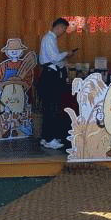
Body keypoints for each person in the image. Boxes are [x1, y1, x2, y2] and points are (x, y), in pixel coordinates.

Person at [38, 18, 77, 150]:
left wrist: (64, 62)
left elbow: (53, 59)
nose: (63, 32)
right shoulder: (49, 38)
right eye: (64, 29)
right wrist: (66, 53)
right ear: (59, 27)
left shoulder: (49, 38)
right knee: (52, 106)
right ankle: (50, 139)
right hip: (50, 76)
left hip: (49, 73)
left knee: (49, 107)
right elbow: (54, 58)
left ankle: (46, 137)